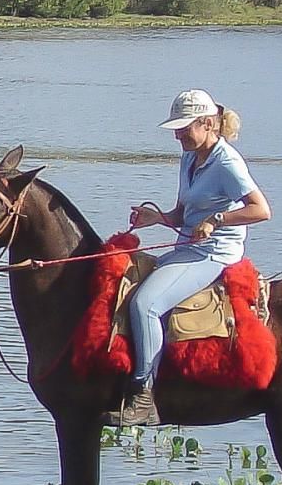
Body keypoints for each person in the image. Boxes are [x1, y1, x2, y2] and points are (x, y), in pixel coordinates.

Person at [105, 90, 271, 427]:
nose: (178, 136)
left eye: (184, 128)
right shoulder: (189, 158)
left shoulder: (227, 163)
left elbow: (261, 210)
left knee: (145, 305)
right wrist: (156, 218)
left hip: (214, 253)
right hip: (188, 248)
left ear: (208, 124)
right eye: (177, 129)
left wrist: (217, 220)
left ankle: (144, 396)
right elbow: (183, 215)